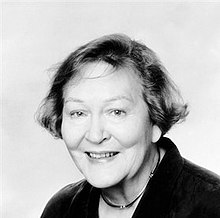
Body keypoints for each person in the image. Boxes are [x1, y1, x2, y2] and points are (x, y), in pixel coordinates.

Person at [37, 34, 220, 218]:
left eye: (116, 112)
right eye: (78, 113)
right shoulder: (62, 209)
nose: (95, 135)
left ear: (155, 121)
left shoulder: (212, 205)